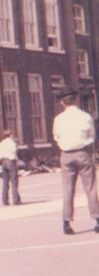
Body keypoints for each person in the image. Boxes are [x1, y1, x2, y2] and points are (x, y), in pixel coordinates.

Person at [52, 86, 99, 235]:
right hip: (84, 152)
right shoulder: (85, 116)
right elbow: (92, 135)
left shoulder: (58, 119)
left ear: (62, 103)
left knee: (68, 189)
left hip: (66, 154)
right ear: (75, 100)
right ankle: (97, 218)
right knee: (90, 187)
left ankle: (66, 222)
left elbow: (56, 137)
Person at [0, 129, 21, 206]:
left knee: (5, 182)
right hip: (11, 161)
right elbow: (14, 150)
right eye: (12, 134)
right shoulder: (12, 143)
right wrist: (15, 157)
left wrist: (0, 156)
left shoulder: (2, 143)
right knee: (14, 181)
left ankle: (5, 200)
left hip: (4, 161)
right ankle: (16, 200)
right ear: (10, 135)